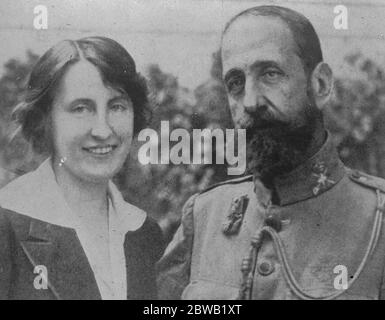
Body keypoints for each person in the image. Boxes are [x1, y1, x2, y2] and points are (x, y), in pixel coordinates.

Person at [157, 5, 385, 300]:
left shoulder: (377, 220)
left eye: (271, 74)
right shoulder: (204, 217)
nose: (250, 101)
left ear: (321, 85)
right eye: (236, 83)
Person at [0, 36, 164, 300]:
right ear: (45, 121)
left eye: (117, 106)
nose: (102, 129)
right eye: (80, 108)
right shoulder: (6, 223)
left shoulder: (145, 233)